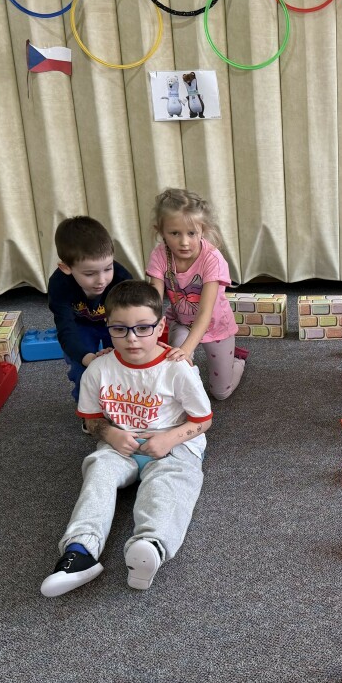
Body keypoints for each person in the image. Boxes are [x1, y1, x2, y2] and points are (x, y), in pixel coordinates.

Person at [41, 280, 212, 596]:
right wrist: (109, 432)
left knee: (169, 484)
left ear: (160, 327)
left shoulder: (177, 369)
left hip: (173, 443)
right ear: (108, 326)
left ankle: (150, 546)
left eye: (143, 328)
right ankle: (80, 552)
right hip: (121, 441)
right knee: (99, 473)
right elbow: (92, 420)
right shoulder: (99, 369)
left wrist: (169, 439)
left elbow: (202, 421)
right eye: (120, 329)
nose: (132, 338)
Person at [146, 189, 247, 400]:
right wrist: (147, 334)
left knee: (221, 393)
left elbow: (205, 313)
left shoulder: (213, 259)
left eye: (191, 233)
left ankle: (238, 361)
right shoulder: (159, 255)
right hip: (182, 323)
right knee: (177, 364)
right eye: (175, 233)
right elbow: (153, 302)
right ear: (160, 231)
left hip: (216, 326)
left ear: (203, 229)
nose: (184, 242)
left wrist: (186, 349)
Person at [48, 216, 133, 403]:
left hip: (115, 323)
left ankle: (124, 404)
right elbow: (66, 328)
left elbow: (135, 315)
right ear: (66, 268)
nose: (101, 280)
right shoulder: (59, 285)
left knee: (127, 362)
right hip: (80, 327)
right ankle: (87, 408)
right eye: (90, 273)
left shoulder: (122, 278)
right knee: (83, 371)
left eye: (108, 269)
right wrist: (87, 358)